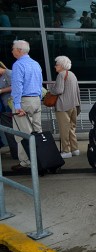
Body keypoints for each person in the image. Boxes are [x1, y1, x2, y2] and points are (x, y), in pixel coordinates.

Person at [10, 40, 43, 172]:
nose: (12, 51)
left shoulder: (18, 65)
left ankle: (26, 162)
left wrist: (17, 105)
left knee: (22, 133)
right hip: (35, 100)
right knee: (37, 131)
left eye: (13, 49)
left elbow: (17, 85)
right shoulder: (36, 64)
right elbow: (40, 83)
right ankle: (41, 157)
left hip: (23, 101)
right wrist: (39, 98)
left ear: (19, 50)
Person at [48, 56, 81, 159]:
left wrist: (50, 90)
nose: (55, 66)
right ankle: (75, 149)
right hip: (73, 105)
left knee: (64, 129)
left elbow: (58, 90)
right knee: (71, 128)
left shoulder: (61, 75)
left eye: (57, 64)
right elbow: (77, 91)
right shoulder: (72, 75)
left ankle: (66, 150)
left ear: (61, 66)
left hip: (62, 106)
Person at [0, 61, 17, 159]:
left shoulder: (9, 73)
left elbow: (15, 86)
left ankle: (17, 153)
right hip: (5, 106)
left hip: (10, 105)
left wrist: (1, 90)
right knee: (9, 131)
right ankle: (15, 152)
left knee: (11, 130)